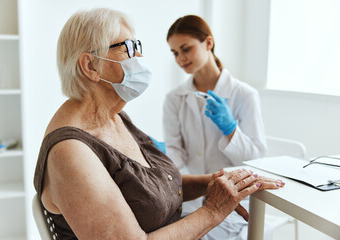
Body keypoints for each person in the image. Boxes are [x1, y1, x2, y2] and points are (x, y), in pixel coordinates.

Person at [33, 8, 284, 240]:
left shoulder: (115, 118)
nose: (140, 58)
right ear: (90, 66)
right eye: (129, 48)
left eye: (138, 46)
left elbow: (155, 183)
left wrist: (212, 182)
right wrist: (213, 210)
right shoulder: (70, 153)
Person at [163, 15, 282, 240]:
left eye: (185, 49)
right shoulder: (174, 99)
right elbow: (174, 151)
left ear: (208, 43)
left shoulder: (244, 95)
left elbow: (256, 157)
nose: (180, 58)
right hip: (187, 198)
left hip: (234, 201)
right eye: (175, 53)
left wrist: (230, 130)